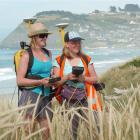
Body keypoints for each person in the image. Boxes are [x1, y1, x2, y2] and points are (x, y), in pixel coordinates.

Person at [53, 31, 102, 139]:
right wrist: (67, 77)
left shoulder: (86, 58)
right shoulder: (59, 60)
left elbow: (95, 79)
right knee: (72, 132)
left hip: (87, 98)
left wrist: (83, 78)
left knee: (95, 129)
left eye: (78, 42)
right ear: (66, 44)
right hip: (68, 100)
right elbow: (55, 83)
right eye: (73, 42)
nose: (77, 44)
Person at [17, 22, 53, 140]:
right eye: (41, 35)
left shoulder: (48, 53)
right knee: (28, 134)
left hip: (46, 96)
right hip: (30, 97)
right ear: (33, 37)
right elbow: (20, 81)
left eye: (46, 35)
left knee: (46, 134)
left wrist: (52, 78)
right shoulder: (27, 55)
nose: (44, 38)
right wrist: (40, 82)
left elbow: (49, 72)